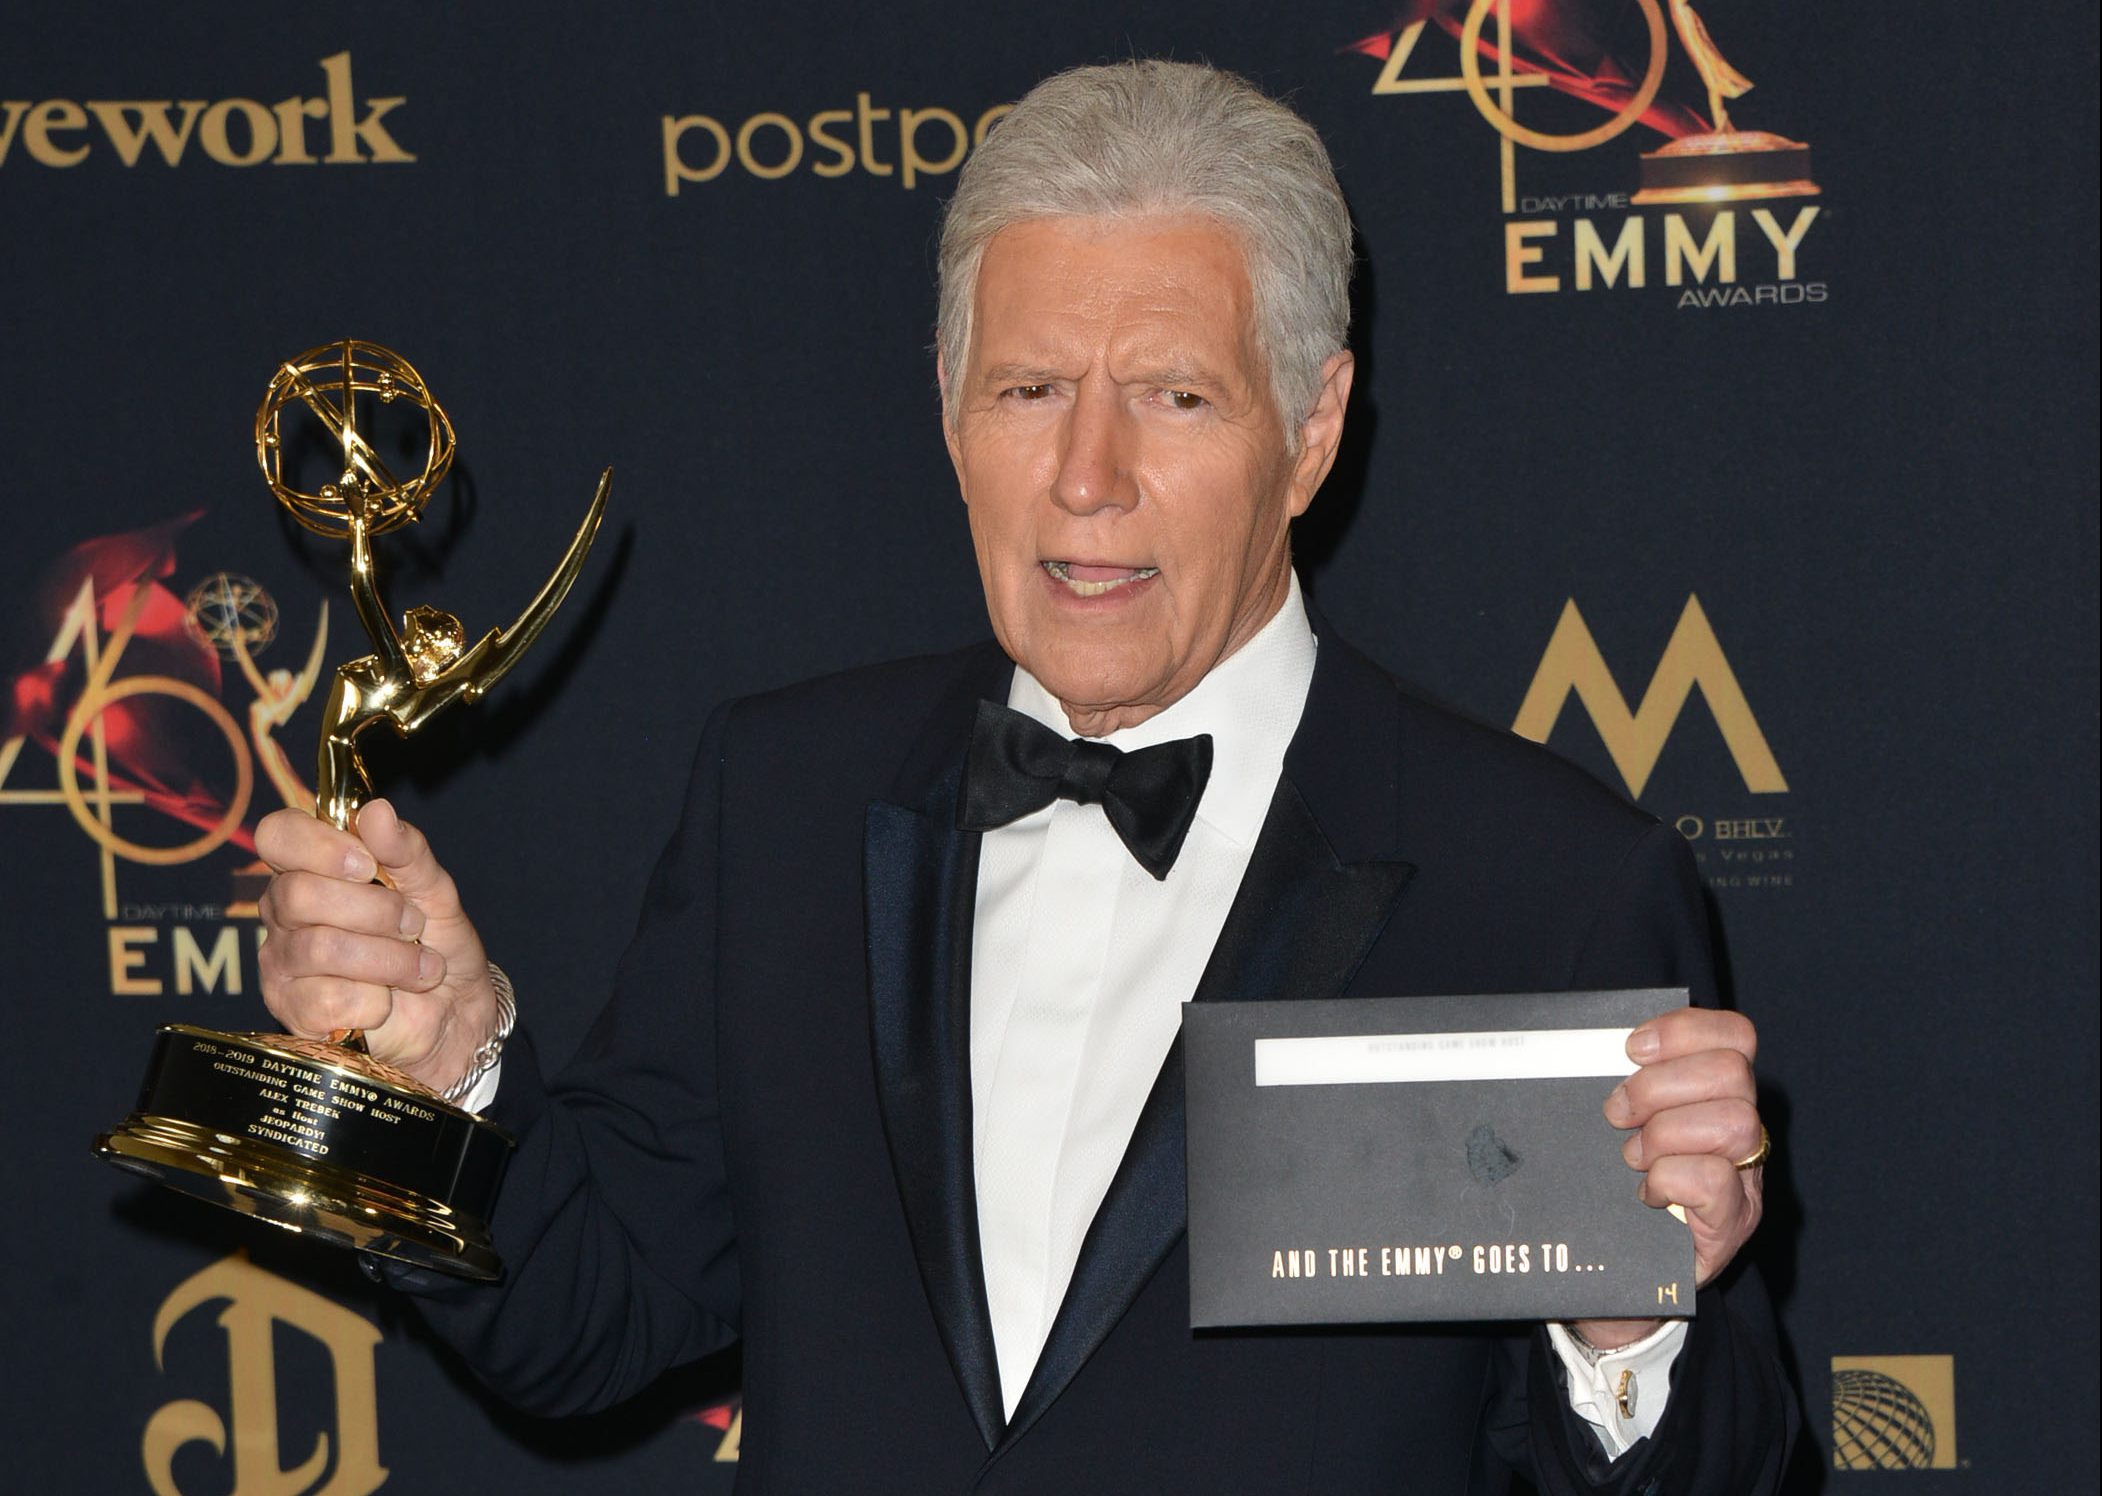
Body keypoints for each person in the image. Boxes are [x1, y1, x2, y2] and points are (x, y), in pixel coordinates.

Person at [256, 59, 1795, 1493]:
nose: (1086, 477)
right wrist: (450, 1072)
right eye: (1028, 389)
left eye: (1174, 397)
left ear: (1310, 428)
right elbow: (589, 1320)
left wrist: (1625, 1325)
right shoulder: (780, 799)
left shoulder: (1550, 885)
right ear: (945, 403)